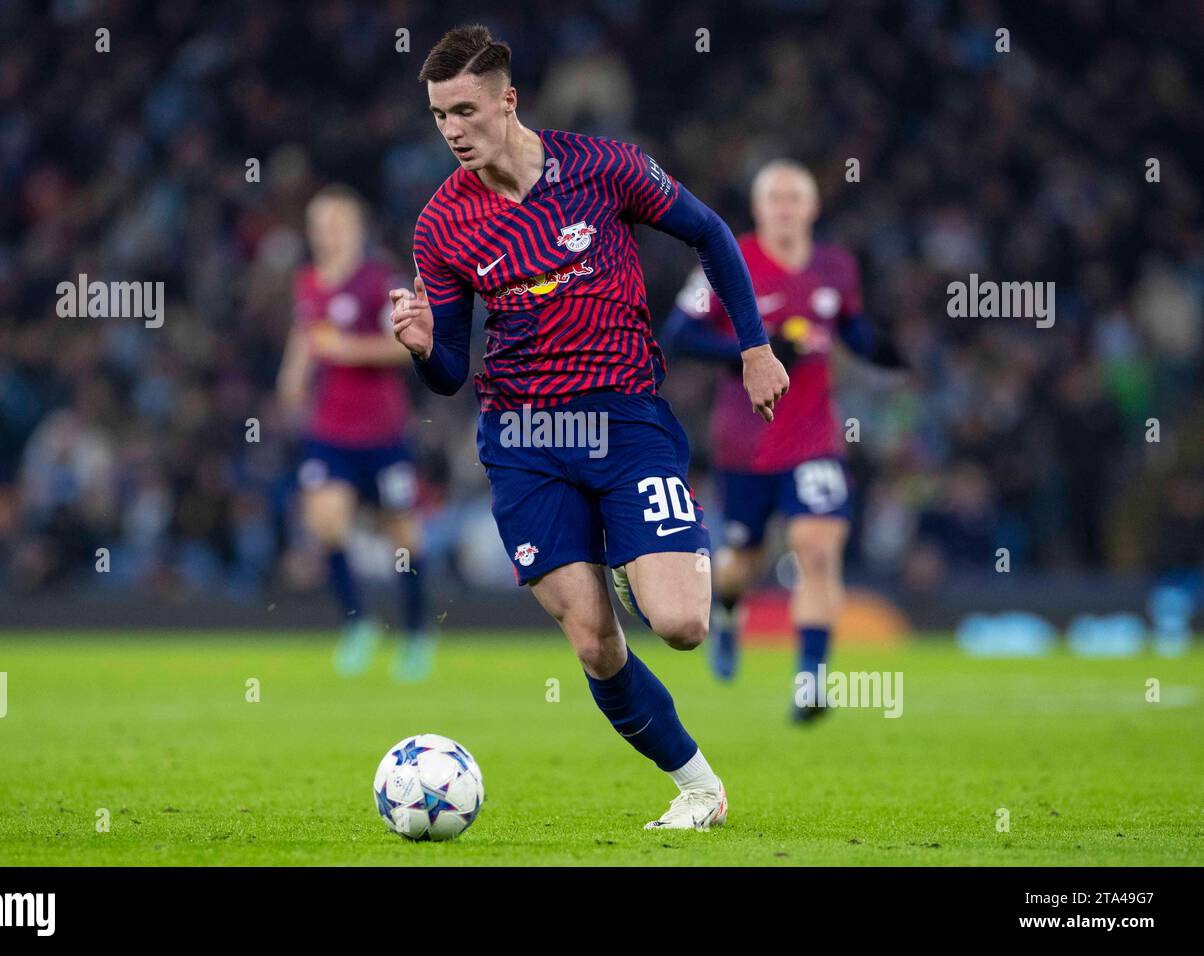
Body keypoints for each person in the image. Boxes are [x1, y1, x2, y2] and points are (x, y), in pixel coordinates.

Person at [388, 25, 790, 828]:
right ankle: (700, 790)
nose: (453, 132)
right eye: (439, 117)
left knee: (679, 623)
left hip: (625, 417)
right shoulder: (442, 225)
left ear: (508, 99)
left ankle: (632, 550)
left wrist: (754, 346)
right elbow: (451, 374)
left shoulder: (602, 167)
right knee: (594, 643)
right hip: (524, 439)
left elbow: (710, 233)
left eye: (465, 110)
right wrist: (425, 349)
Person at [663, 160, 905, 717]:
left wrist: (890, 355)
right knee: (739, 562)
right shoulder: (729, 260)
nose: (786, 207)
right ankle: (726, 611)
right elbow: (679, 336)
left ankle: (811, 683)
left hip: (816, 439)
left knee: (818, 551)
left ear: (813, 207)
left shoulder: (836, 266)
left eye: (796, 197)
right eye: (776, 197)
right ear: (758, 207)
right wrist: (755, 350)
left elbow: (852, 327)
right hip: (746, 443)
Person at [277, 185, 435, 683]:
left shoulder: (377, 280)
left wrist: (347, 349)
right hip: (330, 430)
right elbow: (307, 336)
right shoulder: (307, 282)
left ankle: (414, 633)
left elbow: (403, 347)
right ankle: (360, 623)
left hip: (383, 431)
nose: (324, 234)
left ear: (355, 228)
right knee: (325, 520)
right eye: (316, 225)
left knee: (404, 537)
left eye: (333, 224)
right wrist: (292, 380)